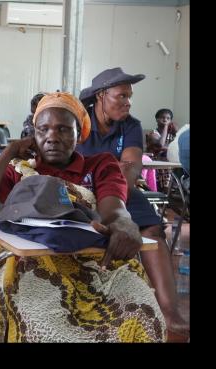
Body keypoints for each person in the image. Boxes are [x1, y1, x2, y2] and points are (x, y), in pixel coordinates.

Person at [0, 92, 165, 342]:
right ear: (33, 135)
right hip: (34, 268)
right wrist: (10, 151)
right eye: (43, 129)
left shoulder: (100, 165)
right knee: (45, 327)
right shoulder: (18, 170)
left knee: (145, 313)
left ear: (79, 133)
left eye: (63, 129)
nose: (52, 137)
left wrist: (124, 223)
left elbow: (113, 210)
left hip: (96, 266)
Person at [77, 67, 186, 337]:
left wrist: (114, 199)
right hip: (79, 189)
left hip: (119, 188)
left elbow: (131, 167)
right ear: (101, 95)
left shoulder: (131, 125)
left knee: (153, 229)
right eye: (122, 96)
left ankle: (169, 313)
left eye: (130, 97)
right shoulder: (79, 120)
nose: (128, 103)